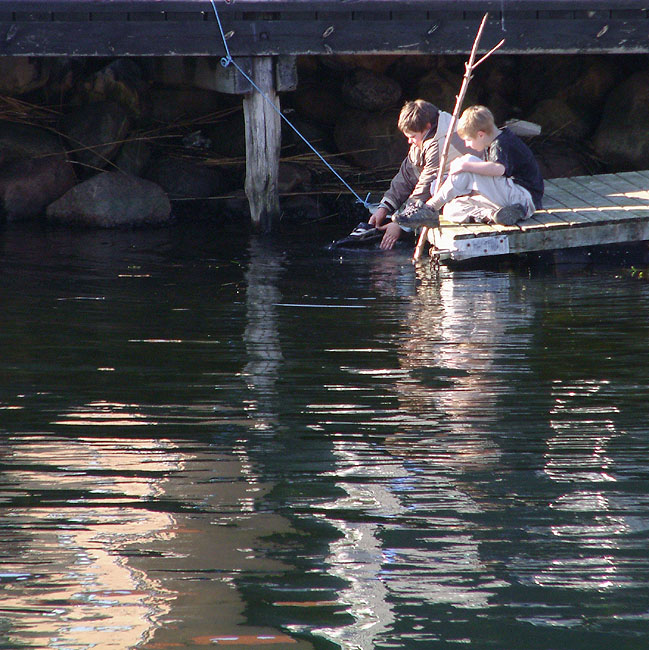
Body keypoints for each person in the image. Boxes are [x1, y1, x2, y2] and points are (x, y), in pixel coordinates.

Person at [402, 105, 543, 228]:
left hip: (525, 197)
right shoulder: (495, 140)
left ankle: (430, 207)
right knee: (451, 209)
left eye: (468, 140)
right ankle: (495, 215)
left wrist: (466, 165)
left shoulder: (501, 143)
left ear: (480, 135)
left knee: (468, 161)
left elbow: (499, 169)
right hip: (510, 200)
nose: (467, 145)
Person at [368, 99, 473, 250]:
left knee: (434, 186)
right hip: (444, 187)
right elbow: (407, 173)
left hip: (467, 191)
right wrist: (383, 208)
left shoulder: (440, 143)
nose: (409, 141)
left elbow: (425, 185)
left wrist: (401, 223)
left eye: (412, 137)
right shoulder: (426, 135)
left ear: (427, 127)